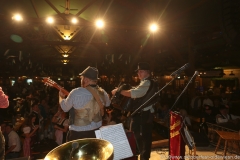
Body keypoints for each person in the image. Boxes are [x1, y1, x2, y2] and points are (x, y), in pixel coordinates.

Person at [111, 62, 159, 160]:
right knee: (142, 140)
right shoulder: (147, 82)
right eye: (138, 72)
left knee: (142, 141)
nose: (139, 73)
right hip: (144, 115)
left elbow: (135, 93)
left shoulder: (147, 82)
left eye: (141, 71)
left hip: (142, 116)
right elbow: (137, 90)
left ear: (147, 72)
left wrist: (119, 91)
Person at [59, 66, 111, 141]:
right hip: (96, 134)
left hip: (78, 135)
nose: (81, 80)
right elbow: (108, 104)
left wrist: (61, 97)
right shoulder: (103, 92)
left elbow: (65, 108)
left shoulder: (76, 92)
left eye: (81, 78)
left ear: (86, 79)